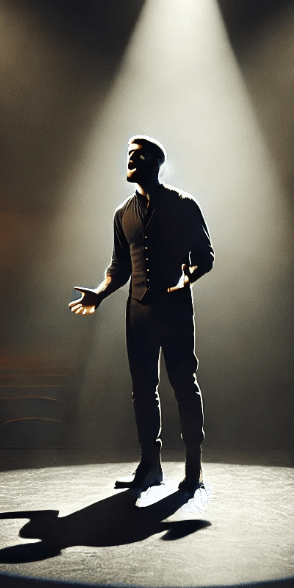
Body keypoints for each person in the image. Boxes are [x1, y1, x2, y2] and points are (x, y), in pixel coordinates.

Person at [69, 135, 214, 492]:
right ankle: (150, 466)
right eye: (129, 155)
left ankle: (193, 467)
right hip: (138, 311)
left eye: (137, 155)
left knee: (183, 383)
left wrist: (188, 277)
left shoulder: (183, 204)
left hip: (175, 308)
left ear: (155, 163)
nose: (130, 160)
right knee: (143, 389)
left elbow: (205, 256)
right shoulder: (122, 214)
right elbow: (119, 267)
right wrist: (100, 293)